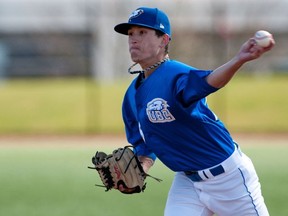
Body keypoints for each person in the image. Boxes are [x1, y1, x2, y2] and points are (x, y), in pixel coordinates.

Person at [114, 7, 274, 216]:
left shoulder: (176, 74)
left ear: (164, 40)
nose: (133, 39)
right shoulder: (131, 96)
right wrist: (140, 170)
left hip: (229, 179)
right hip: (188, 181)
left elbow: (208, 81)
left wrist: (239, 59)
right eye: (131, 34)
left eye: (142, 32)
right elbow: (144, 145)